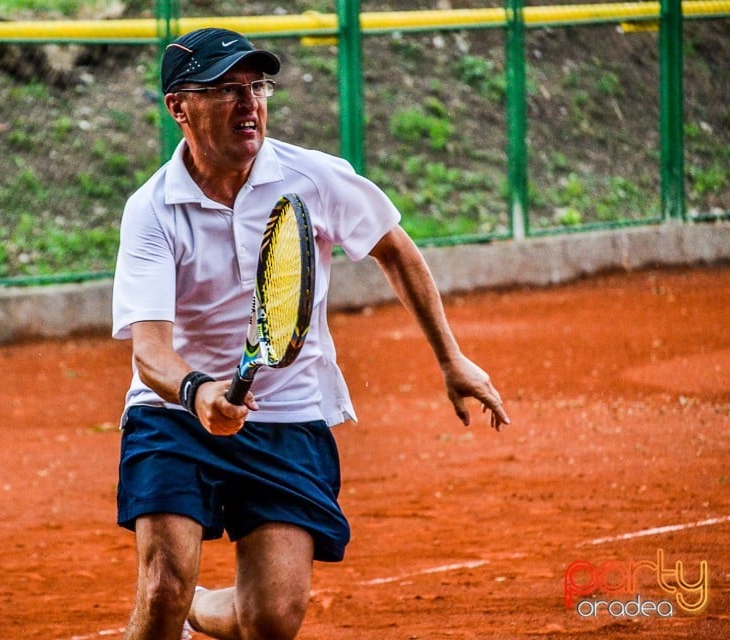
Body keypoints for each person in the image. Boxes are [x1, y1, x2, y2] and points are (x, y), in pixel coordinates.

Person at [110, 27, 510, 640]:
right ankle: (178, 600)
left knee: (270, 620)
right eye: (225, 89)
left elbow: (395, 251)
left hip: (289, 414)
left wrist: (451, 358)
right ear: (178, 107)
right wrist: (199, 391)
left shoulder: (313, 178)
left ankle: (198, 608)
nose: (250, 104)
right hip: (176, 414)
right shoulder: (152, 209)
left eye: (257, 87)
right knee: (163, 582)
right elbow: (151, 352)